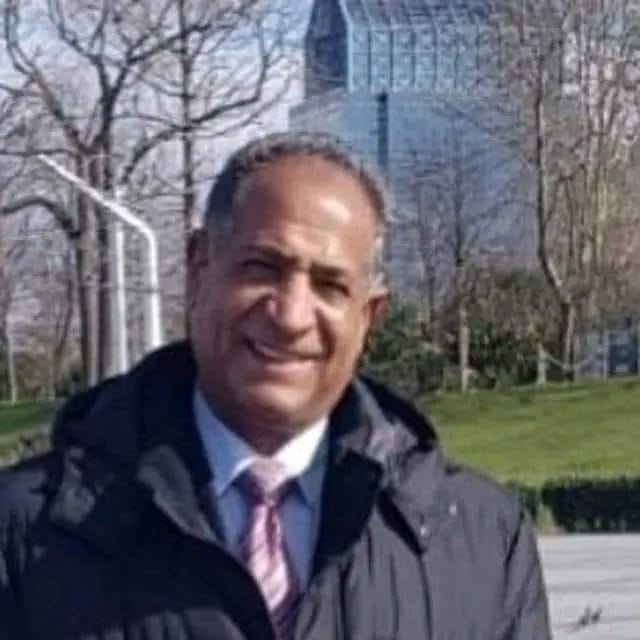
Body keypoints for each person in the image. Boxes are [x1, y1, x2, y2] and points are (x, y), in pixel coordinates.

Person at [0, 132, 551, 640]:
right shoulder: (24, 534)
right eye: (263, 267)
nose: (290, 316)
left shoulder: (482, 540)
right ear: (198, 270)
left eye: (330, 285)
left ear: (369, 315)